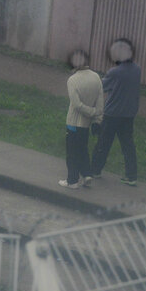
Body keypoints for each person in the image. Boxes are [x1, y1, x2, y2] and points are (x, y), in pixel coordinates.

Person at [90, 38, 141, 186]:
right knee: (128, 145)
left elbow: (101, 87)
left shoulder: (115, 72)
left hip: (112, 114)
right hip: (129, 114)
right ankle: (132, 176)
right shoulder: (137, 70)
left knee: (104, 143)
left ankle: (95, 170)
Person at [60, 50, 103, 189]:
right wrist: (97, 118)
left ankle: (72, 181)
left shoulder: (72, 80)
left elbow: (76, 104)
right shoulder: (96, 77)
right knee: (83, 149)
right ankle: (86, 174)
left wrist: (91, 112)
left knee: (72, 152)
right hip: (86, 125)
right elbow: (100, 101)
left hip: (73, 123)